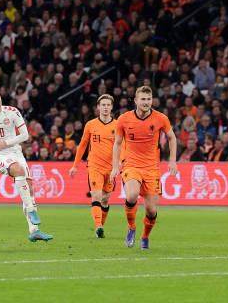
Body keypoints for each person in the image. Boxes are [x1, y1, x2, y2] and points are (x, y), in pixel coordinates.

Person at [0, 87, 53, 242]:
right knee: (18, 170)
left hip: (16, 152)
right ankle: (31, 210)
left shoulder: (12, 112)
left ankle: (34, 231)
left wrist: (6, 143)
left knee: (29, 188)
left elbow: (25, 135)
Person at [110, 86, 179, 250]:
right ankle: (131, 227)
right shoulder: (124, 119)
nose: (146, 102)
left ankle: (145, 236)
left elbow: (172, 137)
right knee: (132, 195)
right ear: (136, 100)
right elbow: (117, 143)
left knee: (151, 210)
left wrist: (172, 161)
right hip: (131, 165)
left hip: (152, 169)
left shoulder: (160, 118)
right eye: (143, 99)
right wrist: (115, 166)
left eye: (149, 99)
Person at [69, 94, 118, 238]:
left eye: (108, 105)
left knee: (105, 199)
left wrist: (119, 163)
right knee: (96, 196)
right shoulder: (91, 125)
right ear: (98, 107)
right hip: (94, 166)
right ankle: (98, 226)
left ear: (111, 107)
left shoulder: (117, 126)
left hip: (111, 168)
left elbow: (122, 146)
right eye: (103, 105)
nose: (105, 107)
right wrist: (75, 165)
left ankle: (100, 226)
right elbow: (82, 145)